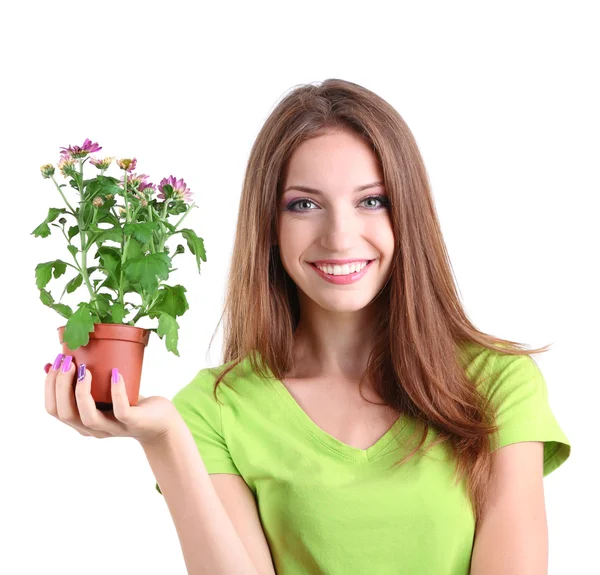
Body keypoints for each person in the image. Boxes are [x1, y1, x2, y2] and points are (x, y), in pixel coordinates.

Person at [45, 79, 571, 575]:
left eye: (372, 200)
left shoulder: (499, 385)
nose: (340, 237)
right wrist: (164, 441)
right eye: (304, 204)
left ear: (407, 214)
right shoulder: (213, 409)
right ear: (270, 227)